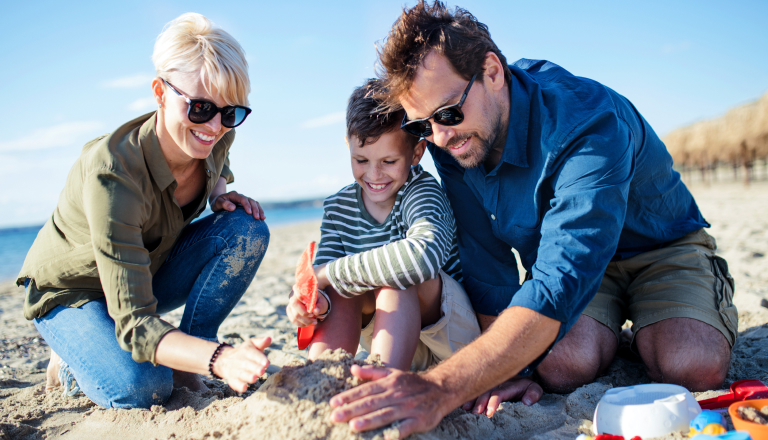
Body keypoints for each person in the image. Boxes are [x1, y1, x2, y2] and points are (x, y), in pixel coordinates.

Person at [328, 1, 738, 436]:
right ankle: (616, 333)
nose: (441, 137)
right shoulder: (453, 139)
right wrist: (504, 371)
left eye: (448, 114)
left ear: (492, 71)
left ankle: (669, 317)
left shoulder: (588, 124)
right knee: (562, 368)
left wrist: (441, 388)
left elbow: (558, 283)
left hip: (659, 248)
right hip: (570, 264)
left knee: (691, 364)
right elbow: (485, 257)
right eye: (423, 127)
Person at [18, 13, 272, 408]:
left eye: (231, 112)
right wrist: (221, 359)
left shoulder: (217, 132)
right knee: (144, 386)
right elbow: (135, 324)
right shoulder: (113, 172)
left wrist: (218, 197)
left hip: (144, 270)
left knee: (246, 230)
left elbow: (218, 161)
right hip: (74, 292)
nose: (216, 126)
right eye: (201, 108)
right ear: (159, 92)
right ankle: (72, 361)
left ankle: (191, 354)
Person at [286, 79, 480, 371]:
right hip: (390, 340)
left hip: (452, 341)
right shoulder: (339, 207)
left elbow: (422, 258)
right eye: (361, 159)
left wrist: (327, 273)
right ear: (347, 144)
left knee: (397, 275)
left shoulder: (422, 192)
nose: (374, 174)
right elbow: (323, 283)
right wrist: (313, 303)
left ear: (416, 153)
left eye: (389, 161)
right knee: (341, 289)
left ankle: (382, 384)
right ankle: (321, 377)